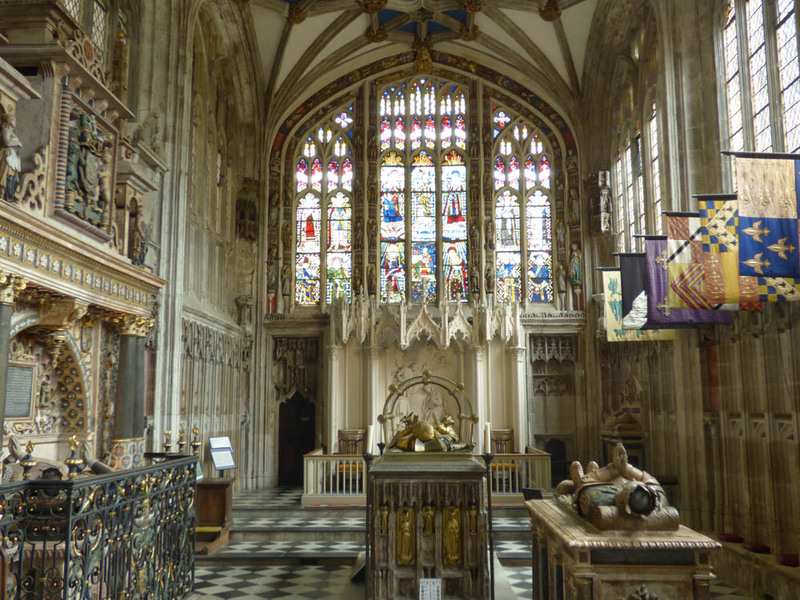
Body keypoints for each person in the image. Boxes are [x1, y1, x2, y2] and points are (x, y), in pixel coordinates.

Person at [0, 112, 22, 201]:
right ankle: (4, 193)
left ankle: (10, 194)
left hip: (14, 155)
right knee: (6, 173)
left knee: (13, 177)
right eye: (13, 120)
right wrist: (18, 143)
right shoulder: (6, 130)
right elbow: (7, 142)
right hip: (8, 154)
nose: (15, 122)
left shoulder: (13, 132)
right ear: (9, 120)